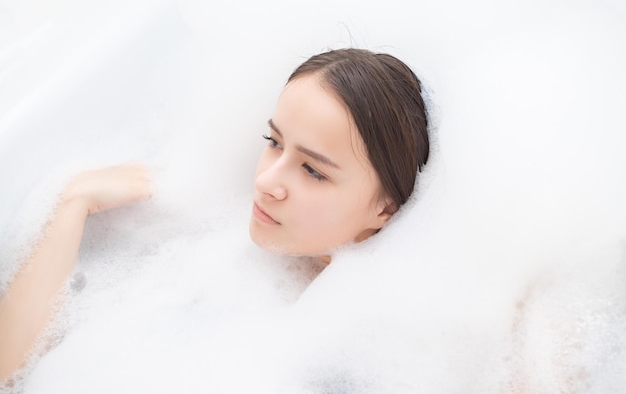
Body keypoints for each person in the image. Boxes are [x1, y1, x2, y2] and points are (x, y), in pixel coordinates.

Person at [0, 48, 430, 382]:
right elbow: (11, 371)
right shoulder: (211, 242)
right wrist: (74, 199)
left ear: (384, 207)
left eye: (313, 171)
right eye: (274, 141)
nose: (265, 181)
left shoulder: (370, 347)